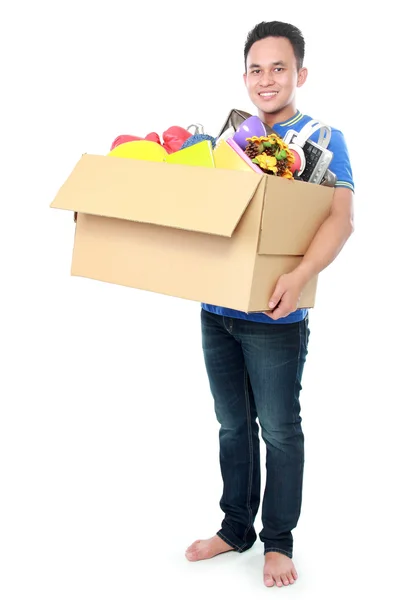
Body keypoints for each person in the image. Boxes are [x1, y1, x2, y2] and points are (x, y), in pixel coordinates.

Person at [185, 20, 355, 588]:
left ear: (299, 74)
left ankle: (278, 542)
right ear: (245, 77)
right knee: (232, 425)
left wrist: (302, 273)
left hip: (277, 316)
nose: (266, 79)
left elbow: (340, 218)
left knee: (279, 429)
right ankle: (236, 528)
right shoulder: (227, 139)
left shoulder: (324, 139)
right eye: (256, 69)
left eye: (278, 68)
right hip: (217, 310)